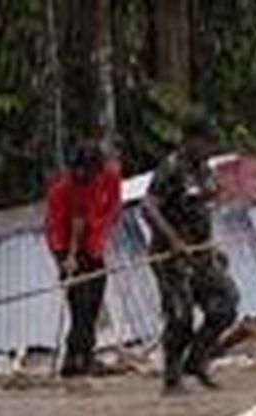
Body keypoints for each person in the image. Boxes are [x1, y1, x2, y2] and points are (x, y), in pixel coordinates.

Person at [143, 117, 240, 395]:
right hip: (171, 257)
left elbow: (199, 205)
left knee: (226, 304)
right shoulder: (171, 168)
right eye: (206, 143)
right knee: (180, 316)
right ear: (190, 140)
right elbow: (148, 207)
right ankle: (172, 379)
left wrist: (213, 199)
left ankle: (196, 361)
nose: (210, 149)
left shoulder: (204, 169)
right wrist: (172, 240)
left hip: (201, 254)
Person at [45, 140, 123, 377]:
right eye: (78, 169)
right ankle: (72, 360)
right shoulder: (60, 191)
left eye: (87, 170)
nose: (82, 174)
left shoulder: (108, 180)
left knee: (93, 305)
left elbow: (113, 208)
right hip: (70, 253)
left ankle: (85, 356)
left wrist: (95, 226)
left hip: (94, 249)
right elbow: (54, 228)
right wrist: (63, 258)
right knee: (79, 305)